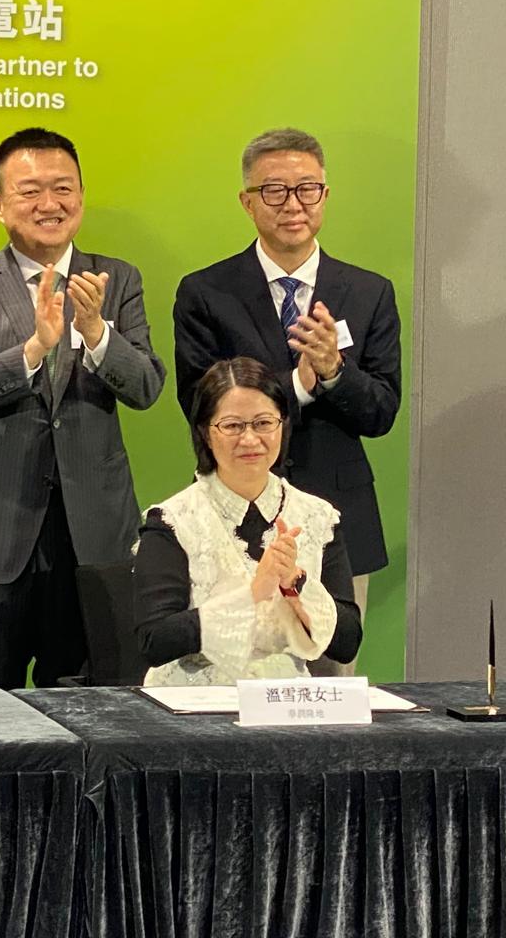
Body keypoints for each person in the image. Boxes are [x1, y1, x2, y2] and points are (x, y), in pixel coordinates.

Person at [0, 127, 165, 689]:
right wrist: (34, 349)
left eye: (62, 188)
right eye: (29, 191)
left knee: (90, 709)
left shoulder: (117, 279)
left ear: (81, 196)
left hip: (92, 537)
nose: (49, 204)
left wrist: (97, 333)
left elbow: (146, 386)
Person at [172, 127, 399, 674]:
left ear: (325, 195)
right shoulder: (206, 292)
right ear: (247, 201)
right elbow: (200, 403)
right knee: (229, 672)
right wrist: (297, 385)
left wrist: (335, 372)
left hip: (336, 517)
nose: (292, 204)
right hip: (233, 517)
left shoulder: (369, 291)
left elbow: (382, 411)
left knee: (328, 684)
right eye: (274, 190)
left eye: (307, 189)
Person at [134, 357, 361, 685]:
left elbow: (348, 643)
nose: (250, 439)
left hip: (283, 700)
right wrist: (254, 592)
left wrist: (295, 583)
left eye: (263, 423)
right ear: (205, 433)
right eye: (232, 426)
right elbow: (154, 641)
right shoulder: (172, 521)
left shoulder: (317, 516)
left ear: (282, 425)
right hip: (192, 700)